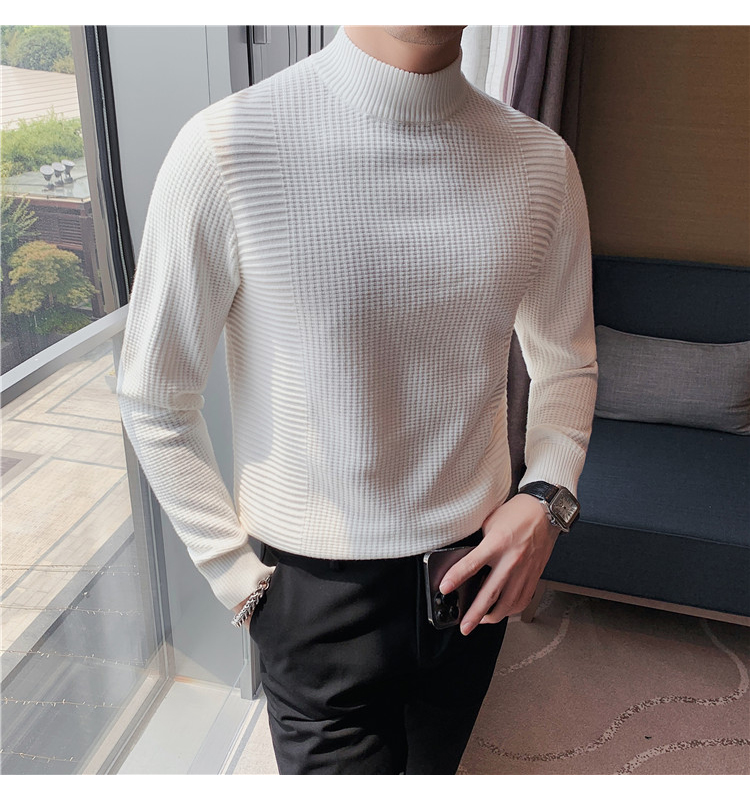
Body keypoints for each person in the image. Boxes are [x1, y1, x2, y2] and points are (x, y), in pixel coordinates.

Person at [116, 25, 598, 775]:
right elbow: (154, 395)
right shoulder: (226, 148)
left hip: (473, 573)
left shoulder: (540, 164)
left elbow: (568, 363)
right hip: (311, 598)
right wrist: (236, 580)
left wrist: (546, 498)